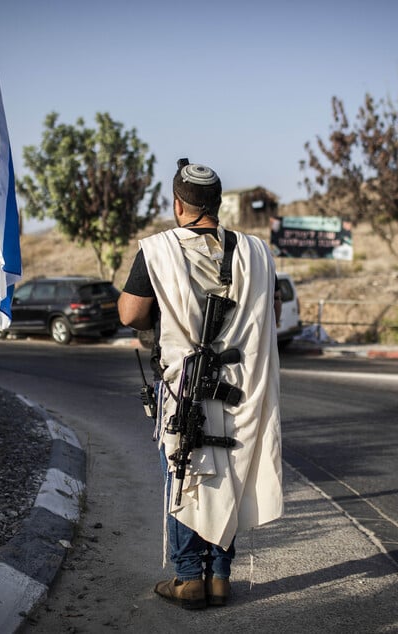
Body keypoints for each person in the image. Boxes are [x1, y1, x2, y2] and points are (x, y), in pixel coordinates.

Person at [118, 158, 283, 610]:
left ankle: (190, 578)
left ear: (178, 204)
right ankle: (221, 577)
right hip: (242, 385)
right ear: (216, 204)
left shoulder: (158, 250)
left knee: (185, 469)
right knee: (228, 472)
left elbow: (131, 314)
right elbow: (273, 314)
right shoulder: (255, 251)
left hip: (185, 385)